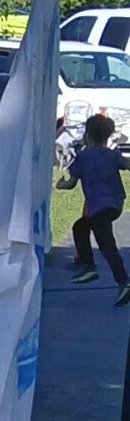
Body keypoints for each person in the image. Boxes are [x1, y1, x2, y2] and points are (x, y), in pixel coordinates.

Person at [69, 111, 129, 301]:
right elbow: (127, 163)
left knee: (106, 245)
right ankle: (93, 268)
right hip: (115, 204)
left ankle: (118, 279)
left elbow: (71, 183)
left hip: (97, 207)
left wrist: (61, 184)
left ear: (87, 136)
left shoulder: (83, 157)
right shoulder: (113, 155)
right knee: (82, 228)